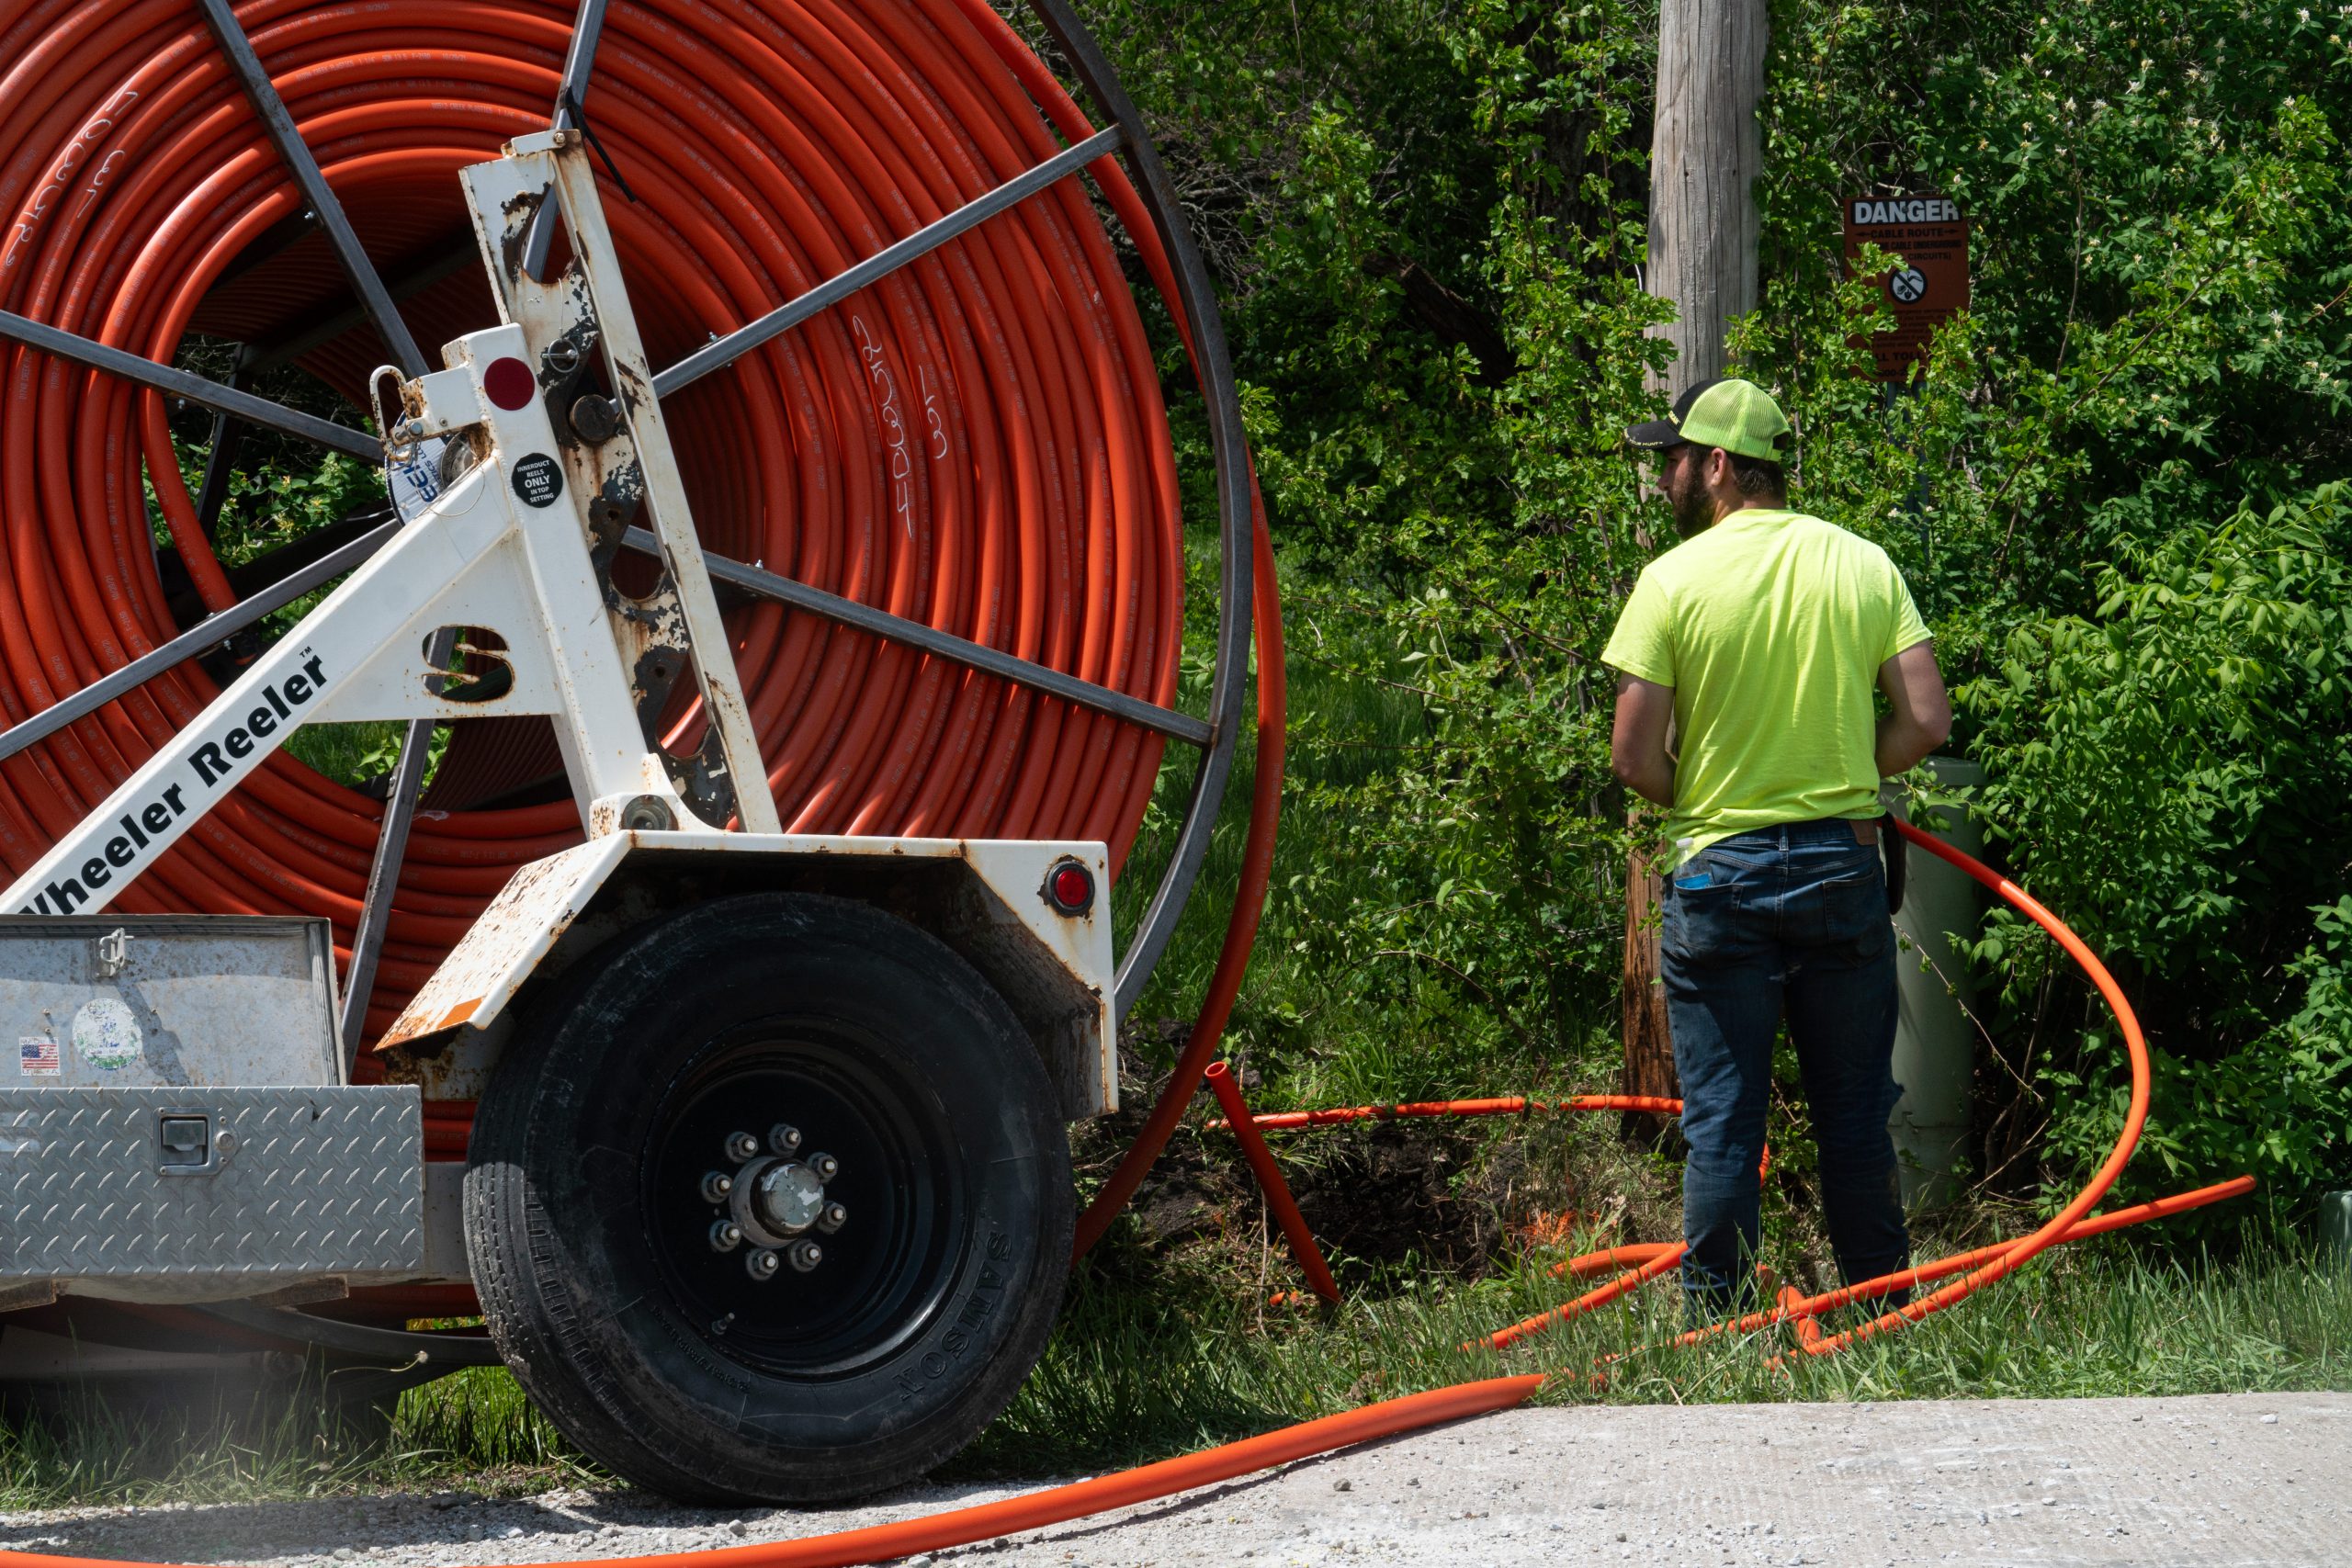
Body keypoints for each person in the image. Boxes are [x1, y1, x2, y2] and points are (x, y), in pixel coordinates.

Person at [1599, 377, 1952, 1315]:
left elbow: (1632, 759)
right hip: (1840, 866)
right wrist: (1848, 778)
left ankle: (1714, 1333)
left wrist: (1711, 797)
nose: (1667, 475)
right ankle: (1879, 1314)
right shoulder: (1861, 563)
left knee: (1723, 1121)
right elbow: (1924, 721)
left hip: (1720, 876)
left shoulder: (1671, 581)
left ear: (1717, 465)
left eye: (1673, 458)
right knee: (1851, 1114)